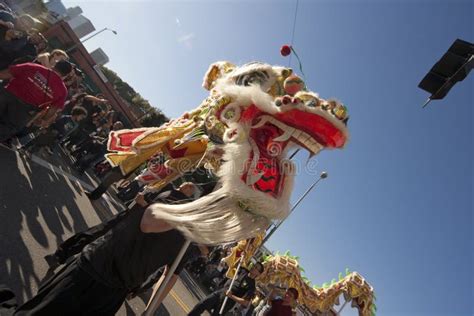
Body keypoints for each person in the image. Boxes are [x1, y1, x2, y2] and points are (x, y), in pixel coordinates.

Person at [0, 60, 71, 142]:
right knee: (5, 130)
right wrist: (42, 119)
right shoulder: (63, 91)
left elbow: (3, 74)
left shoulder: (33, 67)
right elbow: (52, 110)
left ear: (55, 65)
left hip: (6, 96)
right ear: (66, 75)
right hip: (23, 112)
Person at [188, 262, 264, 316]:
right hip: (220, 293)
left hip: (227, 302)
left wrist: (231, 296)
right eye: (254, 265)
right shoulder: (242, 270)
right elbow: (234, 263)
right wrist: (240, 254)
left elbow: (245, 302)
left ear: (258, 274)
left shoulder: (252, 286)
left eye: (256, 268)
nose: (254, 267)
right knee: (201, 304)